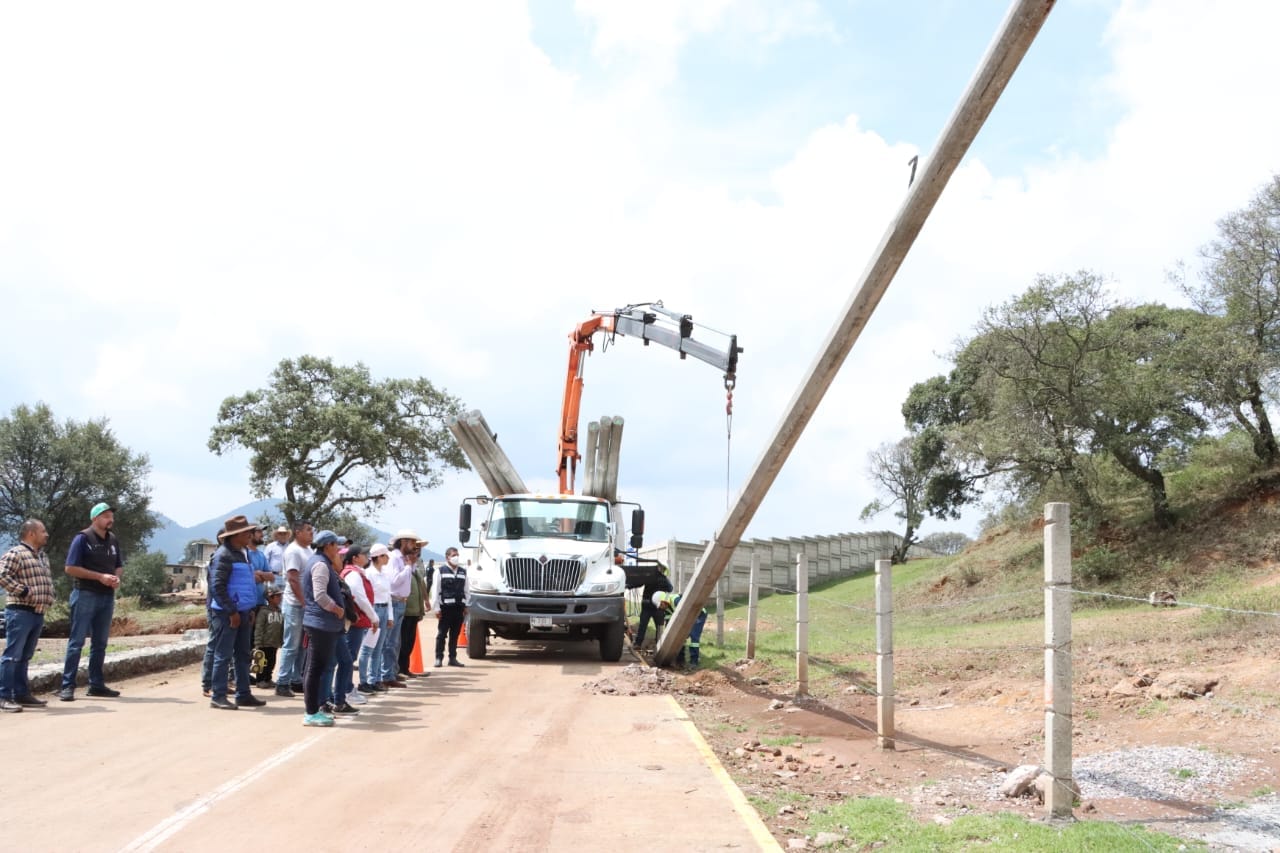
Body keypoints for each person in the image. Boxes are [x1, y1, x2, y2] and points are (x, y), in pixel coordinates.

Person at [58, 502, 124, 701]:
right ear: (94, 518)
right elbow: (70, 568)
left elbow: (118, 565)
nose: (109, 519)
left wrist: (115, 578)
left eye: (111, 515)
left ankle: (96, 684)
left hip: (106, 596)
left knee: (100, 644)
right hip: (85, 594)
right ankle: (67, 686)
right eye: (105, 516)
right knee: (77, 642)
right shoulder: (82, 538)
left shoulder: (112, 540)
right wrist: (99, 577)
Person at [208, 515, 268, 710]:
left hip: (243, 612)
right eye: (247, 532)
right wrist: (232, 611)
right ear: (236, 535)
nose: (250, 535)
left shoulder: (243, 553)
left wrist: (248, 609)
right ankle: (218, 695)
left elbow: (246, 584)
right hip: (227, 614)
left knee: (243, 654)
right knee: (223, 654)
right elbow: (217, 586)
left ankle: (243, 694)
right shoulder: (223, 555)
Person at [0, 519, 54, 712]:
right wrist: (22, 590)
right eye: (43, 531)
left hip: (37, 612)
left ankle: (21, 694)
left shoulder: (41, 556)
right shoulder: (16, 553)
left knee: (24, 656)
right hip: (20, 611)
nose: (46, 534)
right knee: (12, 656)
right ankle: (3, 696)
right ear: (31, 534)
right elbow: (2, 575)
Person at [301, 530, 349, 727]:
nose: (338, 549)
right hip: (320, 623)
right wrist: (336, 609)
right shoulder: (320, 565)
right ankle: (311, 712)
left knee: (315, 668)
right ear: (328, 545)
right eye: (336, 545)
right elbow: (320, 595)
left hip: (321, 623)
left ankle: (313, 711)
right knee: (314, 669)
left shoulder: (320, 562)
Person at [275, 519, 314, 698]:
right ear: (298, 532)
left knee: (302, 646)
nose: (311, 533)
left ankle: (296, 679)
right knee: (291, 645)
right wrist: (305, 602)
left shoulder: (308, 550)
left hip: (305, 604)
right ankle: (282, 682)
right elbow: (293, 578)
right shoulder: (293, 551)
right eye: (308, 530)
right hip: (295, 605)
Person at [382, 529, 424, 687]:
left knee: (395, 641)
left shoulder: (404, 559)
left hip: (401, 602)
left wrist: (410, 564)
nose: (414, 546)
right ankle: (387, 674)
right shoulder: (394, 559)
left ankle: (392, 672)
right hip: (394, 601)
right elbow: (394, 581)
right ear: (404, 542)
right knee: (390, 641)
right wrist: (407, 567)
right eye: (412, 543)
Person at [341, 546, 378, 704]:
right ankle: (346, 690)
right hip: (356, 620)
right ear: (355, 558)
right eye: (364, 554)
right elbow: (360, 597)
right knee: (349, 657)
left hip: (358, 619)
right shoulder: (353, 574)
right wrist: (373, 616)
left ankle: (347, 688)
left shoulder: (356, 572)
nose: (367, 556)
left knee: (349, 657)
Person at [362, 543, 396, 690]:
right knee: (369, 647)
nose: (388, 558)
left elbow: (388, 596)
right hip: (373, 609)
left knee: (379, 647)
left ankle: (375, 679)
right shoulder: (368, 573)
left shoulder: (384, 573)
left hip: (383, 609)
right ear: (379, 557)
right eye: (385, 555)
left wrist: (390, 616)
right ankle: (366, 680)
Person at [432, 546, 469, 667]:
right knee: (442, 634)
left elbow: (467, 590)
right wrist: (436, 608)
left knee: (455, 635)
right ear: (447, 557)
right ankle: (438, 658)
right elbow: (435, 590)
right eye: (453, 555)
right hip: (445, 609)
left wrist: (466, 605)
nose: (456, 557)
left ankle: (452, 658)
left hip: (458, 608)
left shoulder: (463, 572)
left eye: (457, 555)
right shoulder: (440, 571)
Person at [653, 590, 708, 667]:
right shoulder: (667, 608)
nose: (661, 608)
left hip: (698, 614)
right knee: (680, 636)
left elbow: (689, 611)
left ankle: (694, 661)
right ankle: (680, 660)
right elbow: (669, 621)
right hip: (686, 616)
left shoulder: (676, 600)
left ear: (663, 600)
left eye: (661, 605)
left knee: (694, 636)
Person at [398, 548, 430, 679]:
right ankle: (400, 669)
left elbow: (421, 585)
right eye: (414, 554)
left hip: (414, 611)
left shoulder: (415, 570)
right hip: (406, 611)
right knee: (403, 642)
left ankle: (405, 669)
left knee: (409, 642)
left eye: (418, 554)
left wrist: (426, 600)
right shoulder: (404, 570)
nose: (416, 556)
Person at [633, 565, 674, 651]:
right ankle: (659, 645)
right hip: (657, 607)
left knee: (643, 625)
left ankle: (638, 644)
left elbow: (638, 583)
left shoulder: (649, 577)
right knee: (659, 627)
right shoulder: (664, 579)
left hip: (648, 606)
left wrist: (628, 585)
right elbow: (670, 589)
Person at [253, 587, 285, 688]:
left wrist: (281, 640)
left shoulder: (279, 611)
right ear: (270, 598)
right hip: (264, 643)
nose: (280, 598)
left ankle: (268, 678)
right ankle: (260, 680)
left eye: (280, 596)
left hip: (274, 643)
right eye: (277, 596)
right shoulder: (264, 612)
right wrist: (258, 642)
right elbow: (259, 627)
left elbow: (281, 628)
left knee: (272, 662)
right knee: (262, 663)